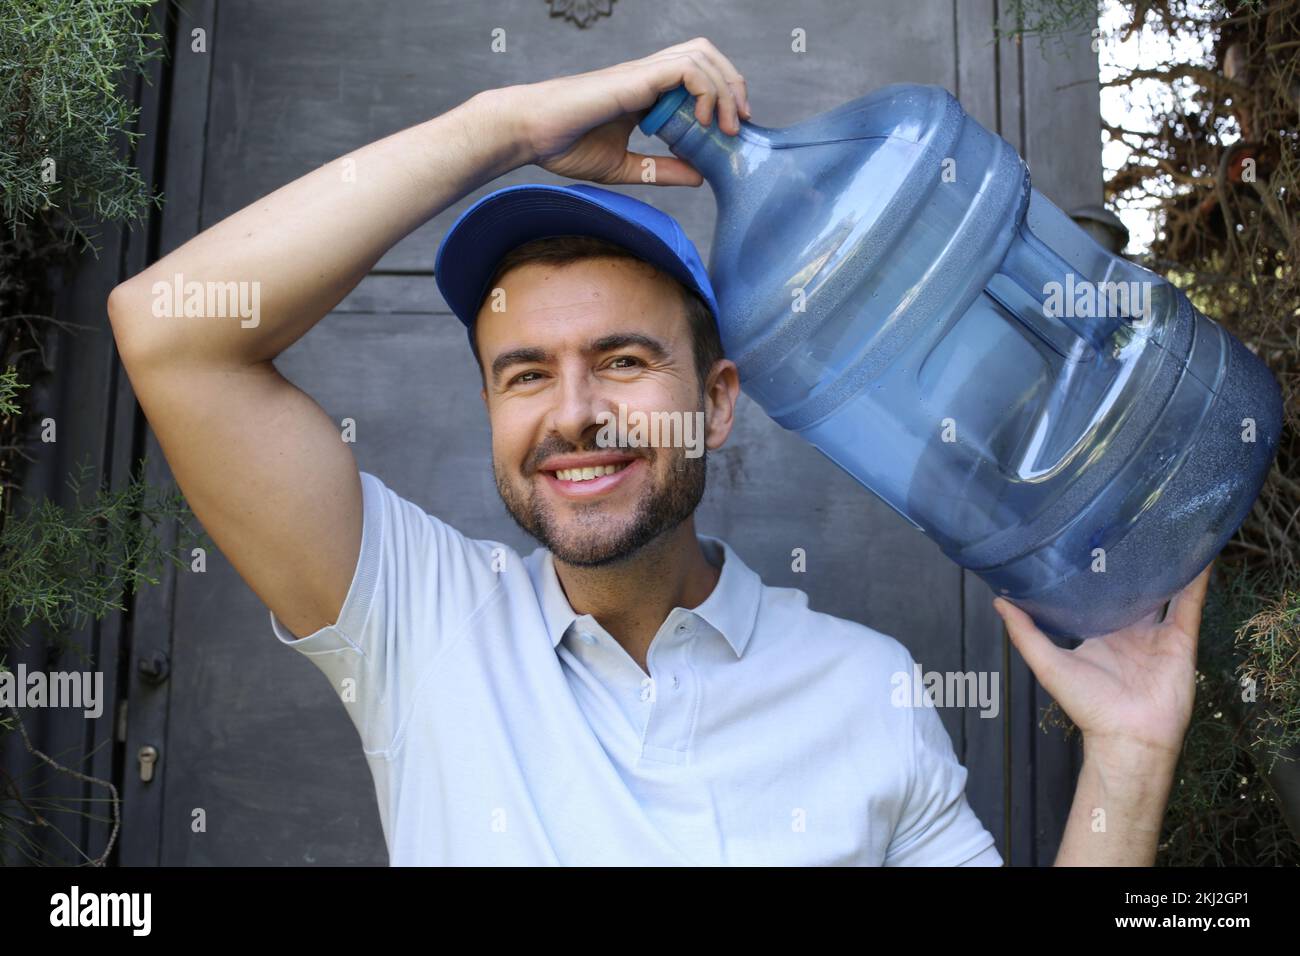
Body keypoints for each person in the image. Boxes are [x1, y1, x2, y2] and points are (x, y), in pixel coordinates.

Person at [107, 37, 1210, 866]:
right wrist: (502, 126)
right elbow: (170, 330)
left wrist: (1127, 750)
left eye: (624, 359)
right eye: (524, 372)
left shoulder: (865, 685)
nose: (574, 412)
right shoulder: (419, 624)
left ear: (718, 401)